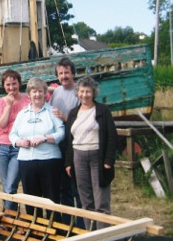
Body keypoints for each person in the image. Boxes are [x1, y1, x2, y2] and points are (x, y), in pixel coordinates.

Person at [65, 76, 118, 230]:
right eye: (82, 91)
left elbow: (112, 136)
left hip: (98, 157)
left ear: (93, 93)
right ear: (77, 93)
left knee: (101, 198)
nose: (85, 95)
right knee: (86, 199)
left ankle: (103, 238)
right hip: (78, 157)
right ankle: (90, 236)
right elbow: (69, 140)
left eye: (88, 91)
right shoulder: (73, 113)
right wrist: (68, 162)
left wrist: (109, 160)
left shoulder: (102, 110)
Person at [9, 77, 65, 218]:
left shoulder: (52, 112)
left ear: (45, 93)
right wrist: (20, 142)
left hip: (49, 160)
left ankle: (55, 230)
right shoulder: (22, 114)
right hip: (26, 161)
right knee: (31, 199)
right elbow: (12, 134)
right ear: (29, 94)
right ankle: (36, 231)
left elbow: (61, 133)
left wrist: (44, 138)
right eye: (34, 92)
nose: (37, 95)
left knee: (51, 198)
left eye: (40, 91)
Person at [50, 57, 84, 227]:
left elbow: (84, 119)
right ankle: (66, 223)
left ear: (73, 74)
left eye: (67, 73)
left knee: (76, 185)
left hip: (75, 144)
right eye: (61, 73)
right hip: (59, 144)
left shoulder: (80, 92)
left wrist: (65, 118)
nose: (64, 76)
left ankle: (81, 224)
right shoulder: (56, 92)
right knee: (63, 186)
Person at [0, 69, 30, 211]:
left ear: (19, 83)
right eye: (8, 85)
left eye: (14, 84)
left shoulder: (27, 99)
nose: (11, 88)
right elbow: (1, 125)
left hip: (19, 147)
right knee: (6, 185)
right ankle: (13, 217)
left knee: (11, 185)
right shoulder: (0, 102)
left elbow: (47, 92)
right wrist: (9, 105)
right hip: (1, 147)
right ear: (4, 86)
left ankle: (8, 217)